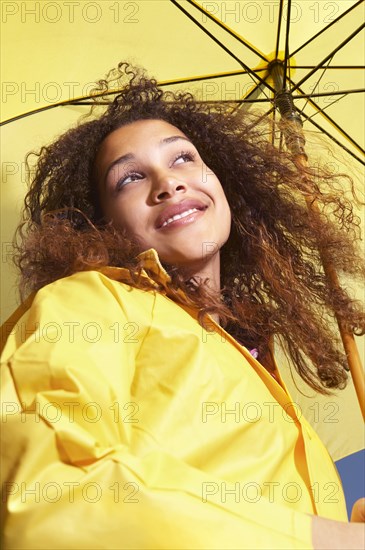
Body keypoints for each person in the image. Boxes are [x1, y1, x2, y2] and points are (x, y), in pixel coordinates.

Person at [1, 62, 364, 549]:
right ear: (101, 224)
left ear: (221, 182)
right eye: (129, 178)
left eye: (183, 159)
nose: (168, 183)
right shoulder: (88, 301)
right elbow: (55, 496)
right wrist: (329, 539)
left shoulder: (252, 361)